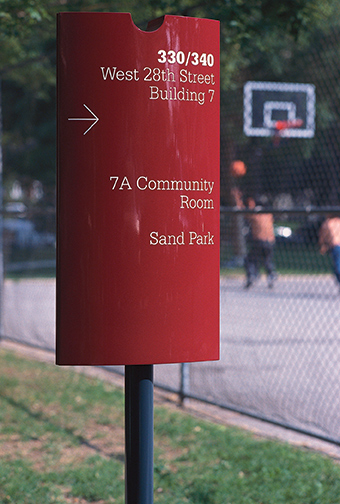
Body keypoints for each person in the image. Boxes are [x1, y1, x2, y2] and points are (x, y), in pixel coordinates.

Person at [243, 195, 277, 289]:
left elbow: (243, 212)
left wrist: (238, 199)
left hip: (259, 241)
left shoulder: (255, 215)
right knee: (267, 259)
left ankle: (252, 275)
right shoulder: (269, 215)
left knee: (250, 259)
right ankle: (271, 275)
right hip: (270, 241)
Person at [319, 214, 340, 287]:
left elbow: (324, 236)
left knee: (337, 267)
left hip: (335, 246)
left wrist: (323, 245)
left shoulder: (327, 223)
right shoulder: (338, 221)